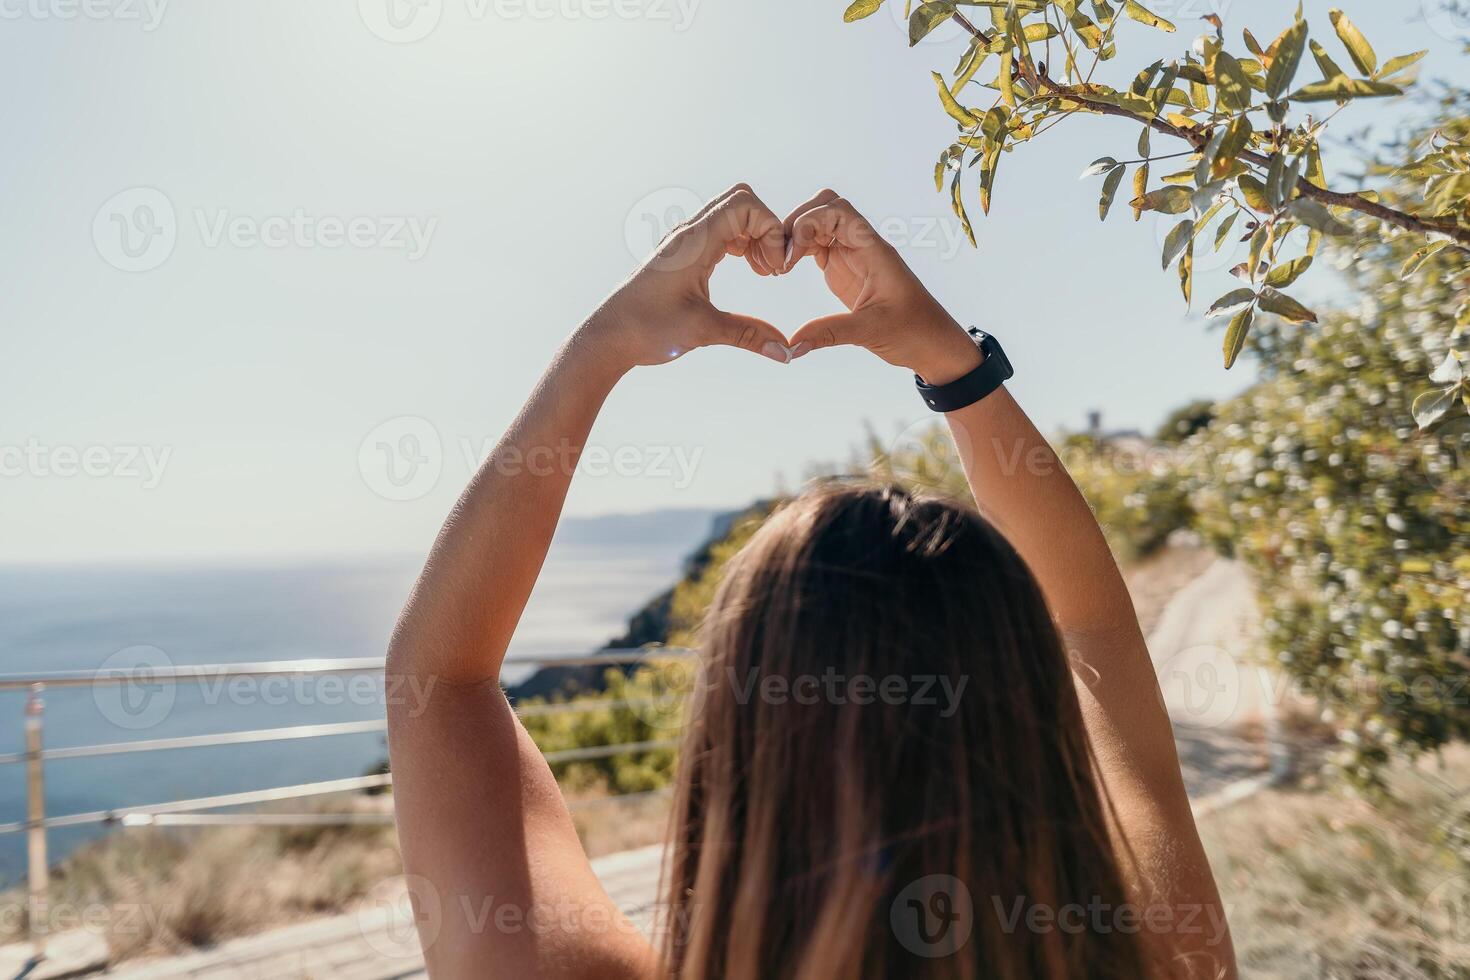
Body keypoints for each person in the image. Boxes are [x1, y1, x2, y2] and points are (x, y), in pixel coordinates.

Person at [385, 185, 1236, 979]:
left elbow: (438, 682)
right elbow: (1093, 624)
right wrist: (953, 363)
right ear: (1027, 697)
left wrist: (603, 345)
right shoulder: (1161, 944)